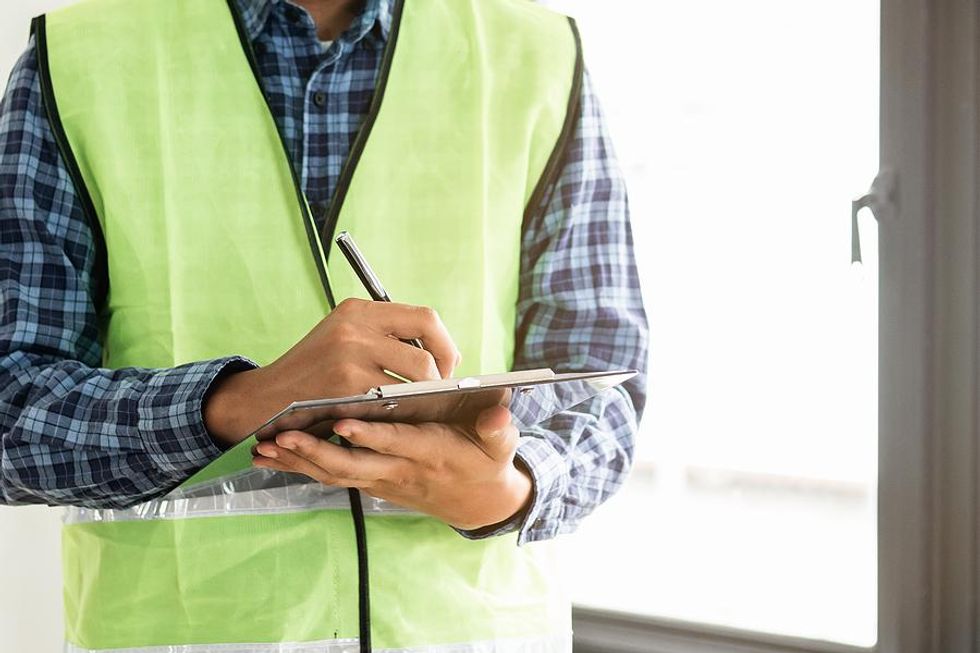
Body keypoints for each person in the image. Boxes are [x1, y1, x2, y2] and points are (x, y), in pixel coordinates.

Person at [0, 0, 648, 651]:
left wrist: (507, 489)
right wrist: (239, 400)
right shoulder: (77, 59)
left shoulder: (536, 54)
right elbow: (10, 410)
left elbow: (605, 381)